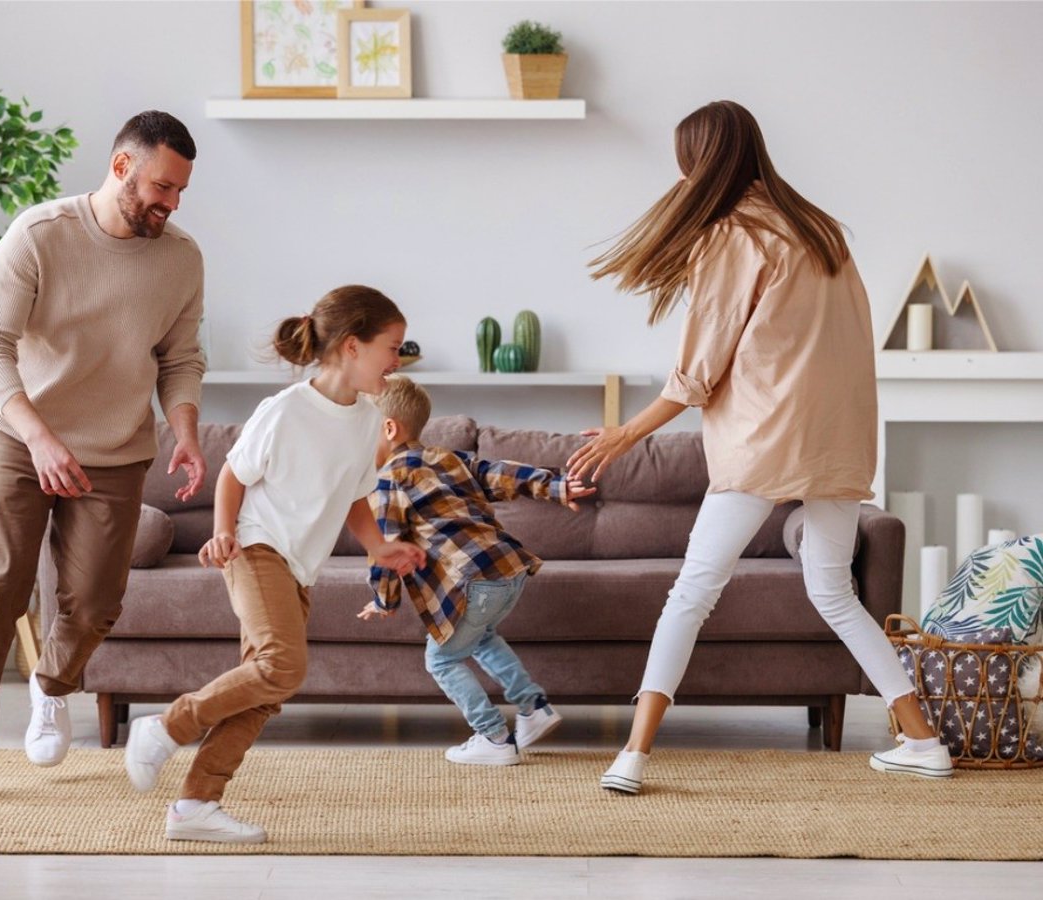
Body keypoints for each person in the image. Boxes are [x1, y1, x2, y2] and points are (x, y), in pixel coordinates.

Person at [568, 100, 952, 794]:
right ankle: (921, 740)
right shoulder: (822, 231)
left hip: (764, 437)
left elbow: (698, 369)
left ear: (702, 161)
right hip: (837, 437)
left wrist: (626, 432)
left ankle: (632, 754)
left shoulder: (730, 235)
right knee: (833, 590)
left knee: (691, 593)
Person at [0, 111, 208, 805]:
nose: (170, 203)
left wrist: (186, 430)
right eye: (161, 187)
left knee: (95, 602)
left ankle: (51, 686)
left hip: (114, 450)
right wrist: (40, 437)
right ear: (121, 167)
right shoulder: (39, 234)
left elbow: (180, 359)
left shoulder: (180, 258)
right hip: (21, 440)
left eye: (179, 192)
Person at [122, 286, 426, 843]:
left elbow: (356, 496)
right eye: (393, 346)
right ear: (353, 347)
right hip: (258, 549)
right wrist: (222, 535)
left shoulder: (365, 420)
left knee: (266, 691)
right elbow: (235, 475)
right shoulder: (285, 410)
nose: (399, 359)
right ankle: (167, 726)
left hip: (298, 566)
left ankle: (195, 806)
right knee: (284, 666)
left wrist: (381, 547)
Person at [358, 376, 594, 765]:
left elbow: (385, 549)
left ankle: (494, 738)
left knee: (442, 659)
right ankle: (534, 708)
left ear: (388, 428)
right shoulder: (448, 458)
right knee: (480, 638)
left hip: (472, 582)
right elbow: (500, 473)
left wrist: (384, 600)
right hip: (508, 569)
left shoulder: (389, 480)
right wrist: (553, 487)